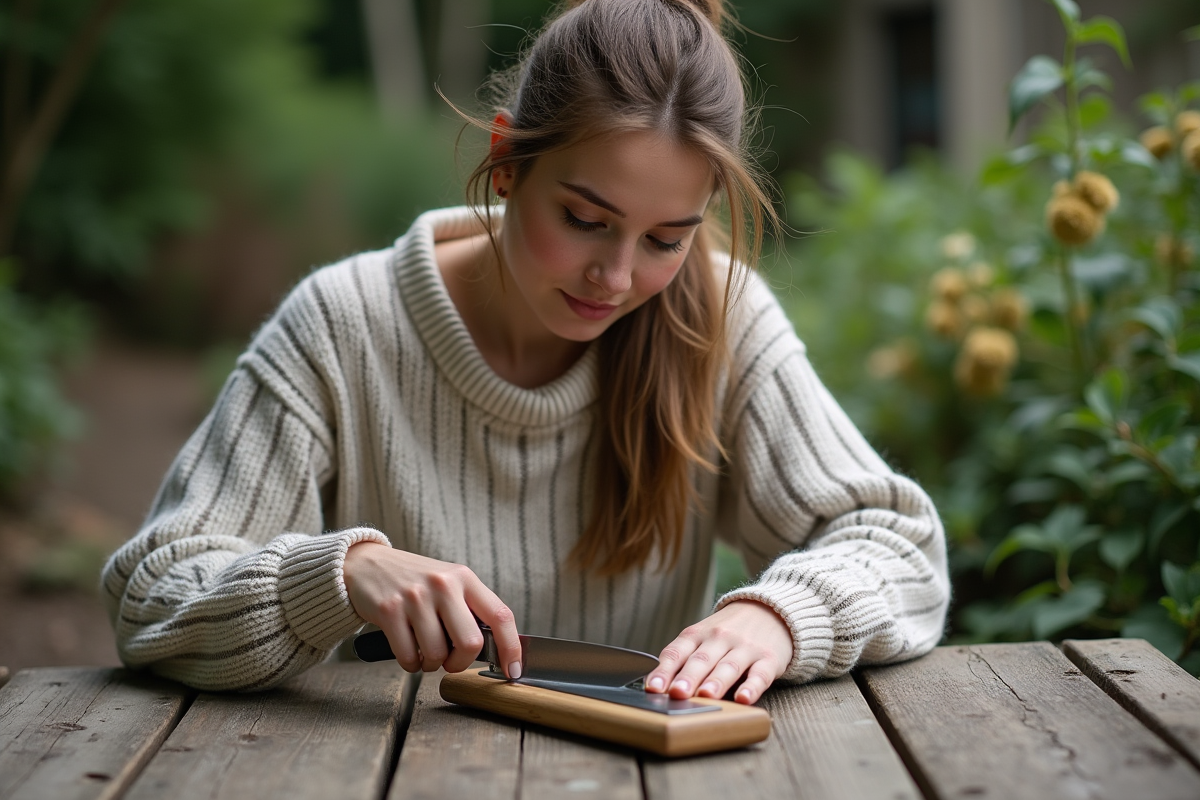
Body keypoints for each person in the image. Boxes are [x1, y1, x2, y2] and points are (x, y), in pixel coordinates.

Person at [101, 0, 949, 702]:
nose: (615, 277)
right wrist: (342, 574)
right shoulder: (339, 325)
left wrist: (779, 616)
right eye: (584, 219)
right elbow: (153, 596)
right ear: (506, 161)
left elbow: (901, 546)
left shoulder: (719, 322)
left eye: (666, 239)